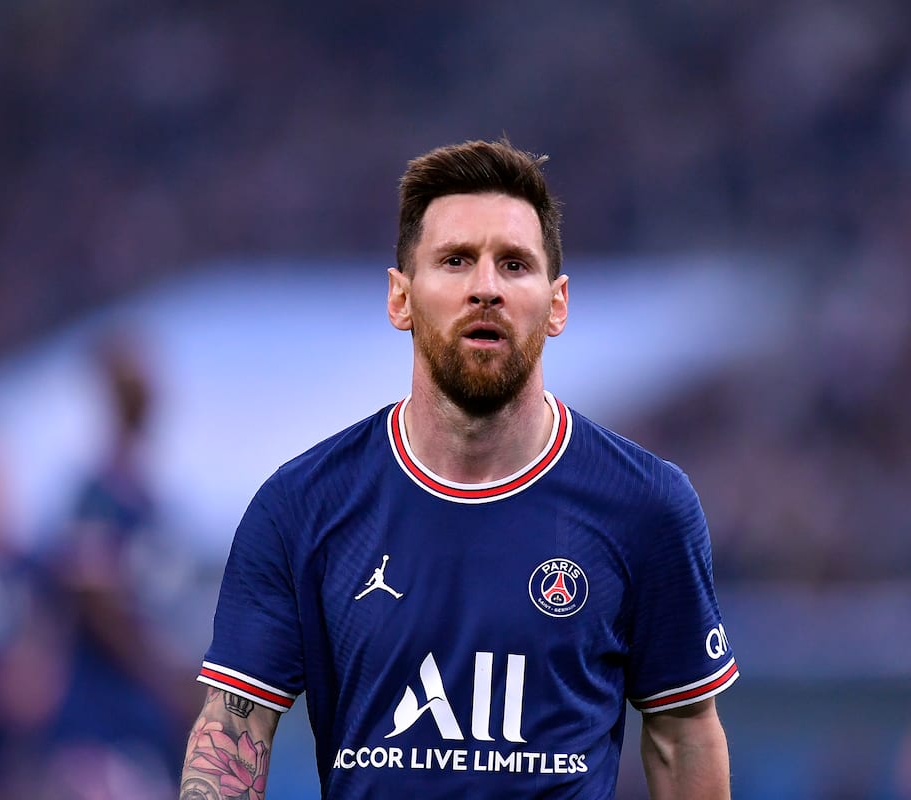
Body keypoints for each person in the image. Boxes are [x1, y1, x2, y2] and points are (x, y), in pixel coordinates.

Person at [180, 139, 737, 799]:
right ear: (401, 298)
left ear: (557, 304)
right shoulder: (301, 506)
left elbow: (681, 737)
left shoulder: (645, 505)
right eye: (455, 261)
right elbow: (233, 730)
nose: (486, 288)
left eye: (514, 265)